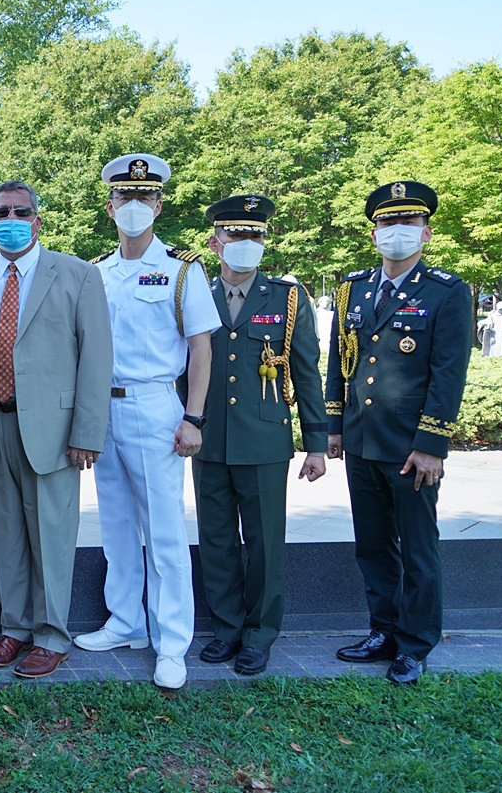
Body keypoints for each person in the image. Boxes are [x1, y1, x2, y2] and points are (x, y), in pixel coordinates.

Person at [0, 180, 111, 679]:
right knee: (2, 537)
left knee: (53, 536)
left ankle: (51, 635)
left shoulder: (78, 275)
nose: (12, 219)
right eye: (2, 211)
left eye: (22, 211)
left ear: (38, 219)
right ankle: (15, 627)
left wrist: (87, 431)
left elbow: (97, 358)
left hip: (54, 429)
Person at [74, 153, 219, 691]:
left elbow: (200, 347)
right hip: (102, 408)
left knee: (162, 532)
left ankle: (172, 642)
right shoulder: (95, 272)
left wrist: (194, 416)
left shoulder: (183, 270)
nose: (134, 207)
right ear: (110, 204)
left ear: (158, 204)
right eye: (124, 197)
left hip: (157, 407)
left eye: (144, 197)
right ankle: (127, 622)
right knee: (114, 525)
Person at [326, 180, 471, 685]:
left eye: (407, 223)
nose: (397, 232)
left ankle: (414, 644)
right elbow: (339, 364)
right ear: (374, 233)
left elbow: (448, 374)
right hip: (363, 440)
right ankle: (382, 630)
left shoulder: (447, 292)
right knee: (372, 544)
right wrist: (335, 425)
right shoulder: (354, 290)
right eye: (387, 223)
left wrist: (432, 445)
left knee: (417, 547)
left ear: (426, 232)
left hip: (411, 447)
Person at [191, 195, 327, 676]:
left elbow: (307, 371)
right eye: (235, 234)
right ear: (216, 242)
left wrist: (316, 441)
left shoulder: (288, 298)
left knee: (265, 542)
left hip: (265, 437)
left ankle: (260, 634)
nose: (246, 243)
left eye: (255, 235)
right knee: (217, 538)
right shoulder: (195, 294)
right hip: (209, 438)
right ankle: (226, 629)